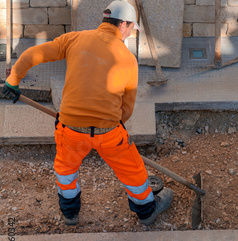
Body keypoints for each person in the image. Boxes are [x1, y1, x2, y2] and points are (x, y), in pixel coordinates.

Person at [1, 0, 173, 226]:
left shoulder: (74, 39)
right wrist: (113, 127)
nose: (130, 34)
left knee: (65, 171)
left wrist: (13, 81)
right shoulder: (128, 60)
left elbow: (32, 54)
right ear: (123, 24)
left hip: (70, 129)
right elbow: (127, 108)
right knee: (134, 173)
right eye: (131, 29)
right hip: (109, 132)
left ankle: (70, 214)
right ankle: (147, 212)